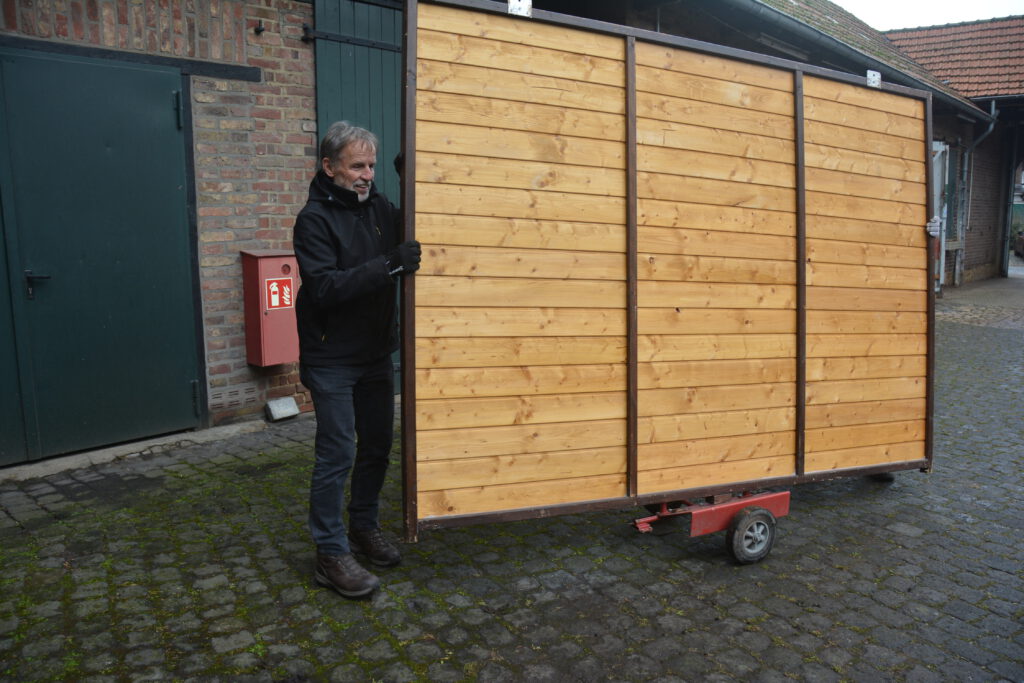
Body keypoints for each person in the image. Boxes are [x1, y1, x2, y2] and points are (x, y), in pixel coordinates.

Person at [292, 121, 421, 598]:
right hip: (331, 358)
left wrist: (415, 173)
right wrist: (389, 264)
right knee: (337, 453)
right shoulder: (314, 220)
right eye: (357, 166)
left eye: (371, 166)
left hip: (374, 354)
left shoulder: (380, 209)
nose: (367, 175)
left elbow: (422, 224)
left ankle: (363, 526)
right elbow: (325, 287)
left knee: (377, 446)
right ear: (329, 167)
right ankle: (330, 553)